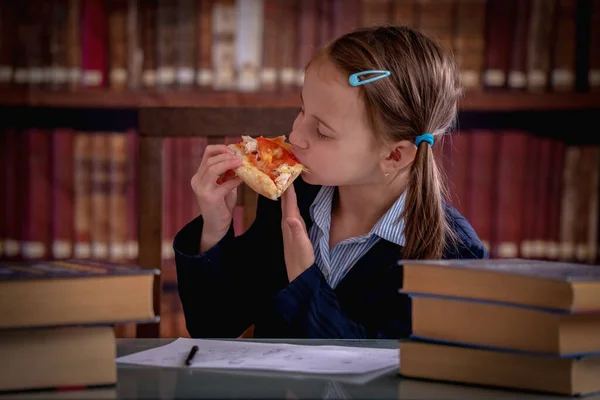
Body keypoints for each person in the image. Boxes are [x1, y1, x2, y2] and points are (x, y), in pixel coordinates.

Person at [174, 25, 488, 339]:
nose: (295, 136)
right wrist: (215, 228)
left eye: (322, 132)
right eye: (301, 110)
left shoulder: (453, 256)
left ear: (395, 155)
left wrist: (304, 282)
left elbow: (384, 377)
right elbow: (212, 325)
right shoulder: (292, 195)